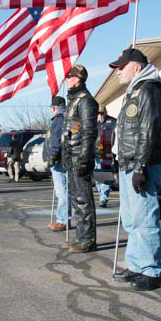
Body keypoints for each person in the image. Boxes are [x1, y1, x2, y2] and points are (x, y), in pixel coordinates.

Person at [108, 48, 161, 291]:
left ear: (136, 66)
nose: (118, 72)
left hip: (141, 164)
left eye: (121, 67)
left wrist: (141, 167)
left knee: (144, 218)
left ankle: (152, 271)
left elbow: (150, 131)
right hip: (128, 162)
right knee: (131, 220)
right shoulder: (135, 91)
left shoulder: (149, 90)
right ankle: (136, 265)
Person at [61, 65, 98, 253]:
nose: (66, 79)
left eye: (69, 77)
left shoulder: (86, 102)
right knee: (76, 199)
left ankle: (88, 240)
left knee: (83, 199)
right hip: (71, 155)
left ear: (78, 79)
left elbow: (89, 132)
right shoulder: (73, 101)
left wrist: (84, 158)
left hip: (79, 157)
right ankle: (80, 237)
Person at [46, 96, 69, 232]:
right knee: (64, 190)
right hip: (61, 158)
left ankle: (62, 220)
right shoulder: (63, 117)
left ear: (54, 107)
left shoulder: (59, 119)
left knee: (62, 191)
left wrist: (53, 156)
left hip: (59, 159)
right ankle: (64, 219)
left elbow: (56, 139)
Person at [94, 106, 112, 207]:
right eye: (98, 114)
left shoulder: (112, 122)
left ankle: (103, 198)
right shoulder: (94, 125)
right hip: (96, 154)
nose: (100, 116)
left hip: (107, 153)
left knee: (105, 175)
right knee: (98, 177)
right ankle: (101, 194)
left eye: (102, 113)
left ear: (105, 113)